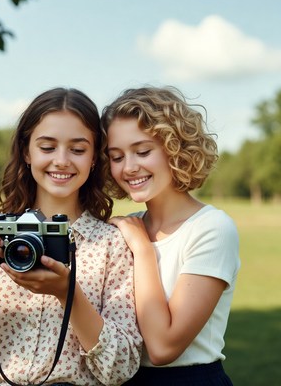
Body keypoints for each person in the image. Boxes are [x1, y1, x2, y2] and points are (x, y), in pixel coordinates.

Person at [0, 87, 142, 386]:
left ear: (95, 157)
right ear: (26, 151)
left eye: (77, 149)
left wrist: (67, 293)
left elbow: (119, 368)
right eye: (47, 147)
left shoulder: (112, 244)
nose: (61, 161)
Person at [101, 86, 240, 385]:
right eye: (116, 156)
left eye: (142, 151)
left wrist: (143, 249)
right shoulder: (126, 227)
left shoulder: (212, 228)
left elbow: (163, 348)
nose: (129, 167)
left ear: (174, 147)